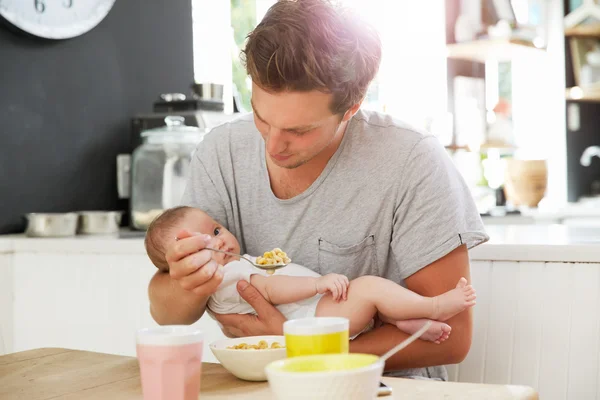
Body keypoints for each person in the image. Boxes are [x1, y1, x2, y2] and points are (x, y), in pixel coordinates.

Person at [147, 0, 488, 380]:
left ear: (351, 107)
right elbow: (168, 314)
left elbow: (453, 338)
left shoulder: (411, 160)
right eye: (261, 117)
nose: (273, 146)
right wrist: (187, 281)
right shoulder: (220, 152)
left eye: (299, 131)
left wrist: (302, 349)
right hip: (261, 385)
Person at [145, 206, 477, 343]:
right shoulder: (228, 278)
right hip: (315, 317)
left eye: (217, 229)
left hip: (315, 319)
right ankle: (433, 307)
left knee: (377, 309)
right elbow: (273, 290)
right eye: (207, 244)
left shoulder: (235, 265)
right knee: (370, 288)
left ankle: (410, 325)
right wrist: (317, 283)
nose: (222, 241)